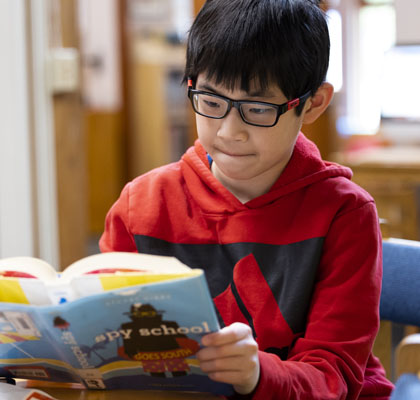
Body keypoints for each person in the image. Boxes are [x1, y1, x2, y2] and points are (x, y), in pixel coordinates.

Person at [100, 0, 394, 398]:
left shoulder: (343, 214)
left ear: (313, 103)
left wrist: (256, 374)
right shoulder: (142, 205)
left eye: (257, 108)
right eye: (212, 101)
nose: (229, 132)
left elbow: (334, 375)